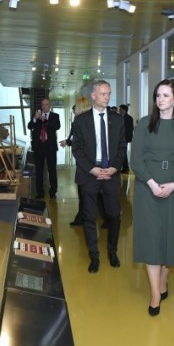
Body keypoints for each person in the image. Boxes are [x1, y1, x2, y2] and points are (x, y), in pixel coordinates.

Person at [130, 79, 174, 315]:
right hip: (147, 187)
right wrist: (152, 183)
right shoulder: (145, 124)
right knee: (151, 239)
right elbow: (136, 160)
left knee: (171, 238)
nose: (160, 99)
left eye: (166, 95)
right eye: (158, 95)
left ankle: (163, 280)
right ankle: (155, 295)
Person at [71, 80, 126, 273]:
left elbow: (122, 147)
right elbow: (76, 149)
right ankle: (94, 256)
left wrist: (114, 167)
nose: (107, 97)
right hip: (90, 175)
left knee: (114, 215)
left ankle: (112, 252)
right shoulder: (81, 121)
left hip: (111, 174)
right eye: (103, 94)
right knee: (89, 217)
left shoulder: (117, 120)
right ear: (93, 96)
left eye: (109, 93)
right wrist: (92, 169)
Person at [28, 98, 61, 199]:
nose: (44, 106)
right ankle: (40, 192)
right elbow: (29, 126)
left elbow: (57, 126)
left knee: (52, 170)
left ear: (49, 105)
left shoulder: (55, 116)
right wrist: (35, 118)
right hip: (39, 146)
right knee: (39, 170)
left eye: (46, 104)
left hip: (50, 146)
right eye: (43, 105)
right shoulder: (36, 115)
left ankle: (53, 191)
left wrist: (45, 121)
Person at [119, 104, 135, 173]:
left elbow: (129, 129)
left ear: (124, 110)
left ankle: (125, 168)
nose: (119, 110)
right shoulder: (121, 117)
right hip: (122, 138)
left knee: (123, 152)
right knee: (123, 152)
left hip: (125, 138)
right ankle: (125, 167)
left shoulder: (128, 118)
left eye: (120, 109)